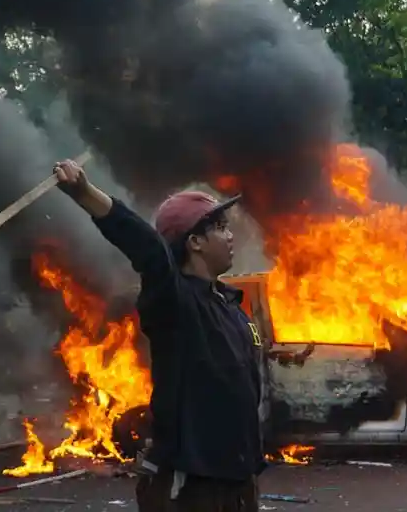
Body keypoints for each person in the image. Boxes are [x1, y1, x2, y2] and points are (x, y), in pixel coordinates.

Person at [54, 159, 263, 512]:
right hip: (190, 484)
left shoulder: (228, 304)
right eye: (221, 228)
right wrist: (84, 193)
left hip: (239, 479)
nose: (230, 236)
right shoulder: (176, 302)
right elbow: (147, 247)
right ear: (195, 242)